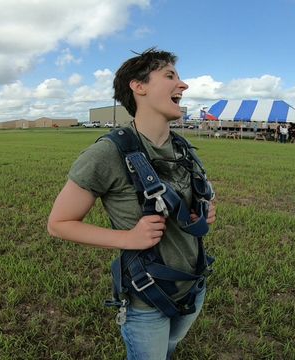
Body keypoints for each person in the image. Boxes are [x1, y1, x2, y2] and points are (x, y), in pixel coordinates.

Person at [47, 48, 217, 359]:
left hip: (194, 286)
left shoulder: (183, 148)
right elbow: (58, 224)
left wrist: (202, 212)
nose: (184, 85)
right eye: (170, 76)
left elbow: (192, 205)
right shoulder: (106, 154)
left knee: (169, 349)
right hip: (147, 299)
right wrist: (128, 238)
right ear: (139, 87)